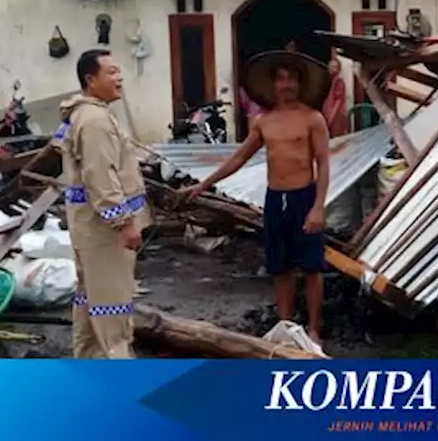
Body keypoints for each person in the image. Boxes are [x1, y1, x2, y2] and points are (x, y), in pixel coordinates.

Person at [184, 50, 331, 344]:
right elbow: (239, 157)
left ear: (300, 85)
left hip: (304, 197)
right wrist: (204, 184)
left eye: (292, 80)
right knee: (280, 266)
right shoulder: (264, 121)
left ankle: (314, 328)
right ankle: (286, 326)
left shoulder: (312, 119)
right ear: (273, 84)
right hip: (275, 199)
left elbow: (324, 163)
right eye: (281, 79)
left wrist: (317, 208)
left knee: (312, 267)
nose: (286, 85)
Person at [54, 49, 151, 359]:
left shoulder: (87, 114)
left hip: (89, 228)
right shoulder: (94, 120)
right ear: (90, 79)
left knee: (90, 303)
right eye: (111, 72)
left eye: (118, 70)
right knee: (112, 308)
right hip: (103, 233)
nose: (119, 77)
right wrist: (123, 222)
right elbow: (101, 177)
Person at [322, 58, 349, 137]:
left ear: (339, 69)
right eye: (331, 67)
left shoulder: (338, 81)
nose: (332, 69)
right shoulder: (329, 81)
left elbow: (338, 102)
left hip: (336, 116)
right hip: (329, 115)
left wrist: (331, 118)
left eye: (335, 67)